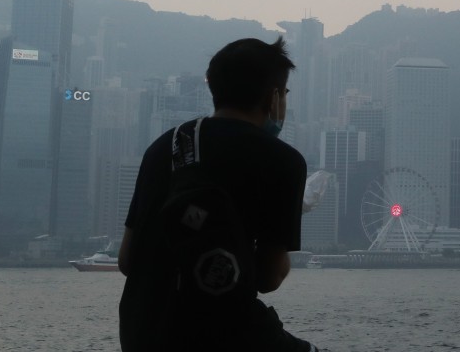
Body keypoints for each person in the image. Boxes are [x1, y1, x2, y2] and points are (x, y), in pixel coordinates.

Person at [118, 37, 318, 352]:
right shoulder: (283, 160)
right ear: (275, 97)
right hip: (228, 334)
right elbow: (270, 277)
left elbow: (127, 260)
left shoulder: (165, 147)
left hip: (143, 333)